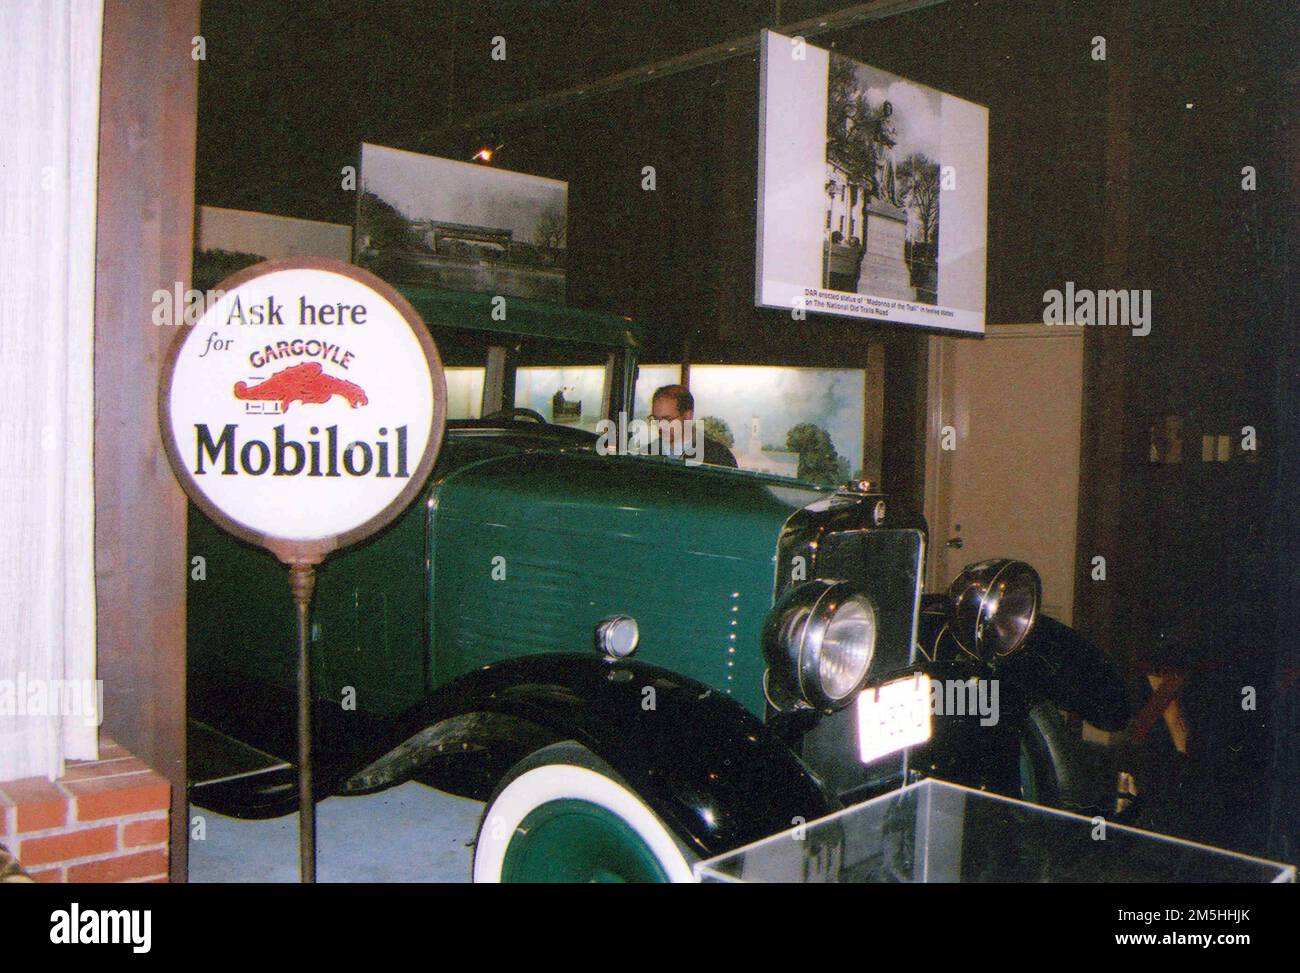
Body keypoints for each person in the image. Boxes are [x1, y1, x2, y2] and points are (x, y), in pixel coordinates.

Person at [650, 384, 738, 468]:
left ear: (688, 416)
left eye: (667, 419)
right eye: (656, 419)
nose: (660, 425)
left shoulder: (718, 457)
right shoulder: (648, 454)